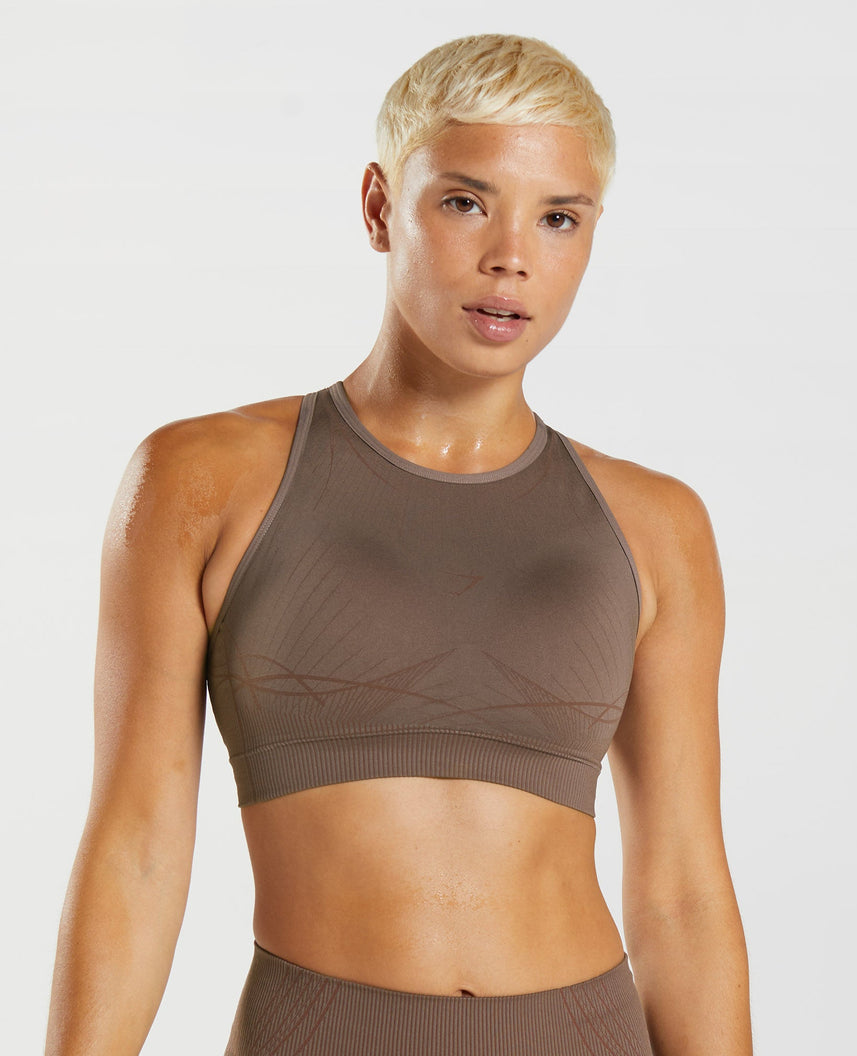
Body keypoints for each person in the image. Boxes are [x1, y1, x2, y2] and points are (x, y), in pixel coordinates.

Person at [45, 33, 752, 1056]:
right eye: (465, 201)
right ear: (380, 206)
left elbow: (683, 893)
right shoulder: (203, 480)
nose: (511, 255)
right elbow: (138, 852)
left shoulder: (656, 525)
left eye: (558, 217)